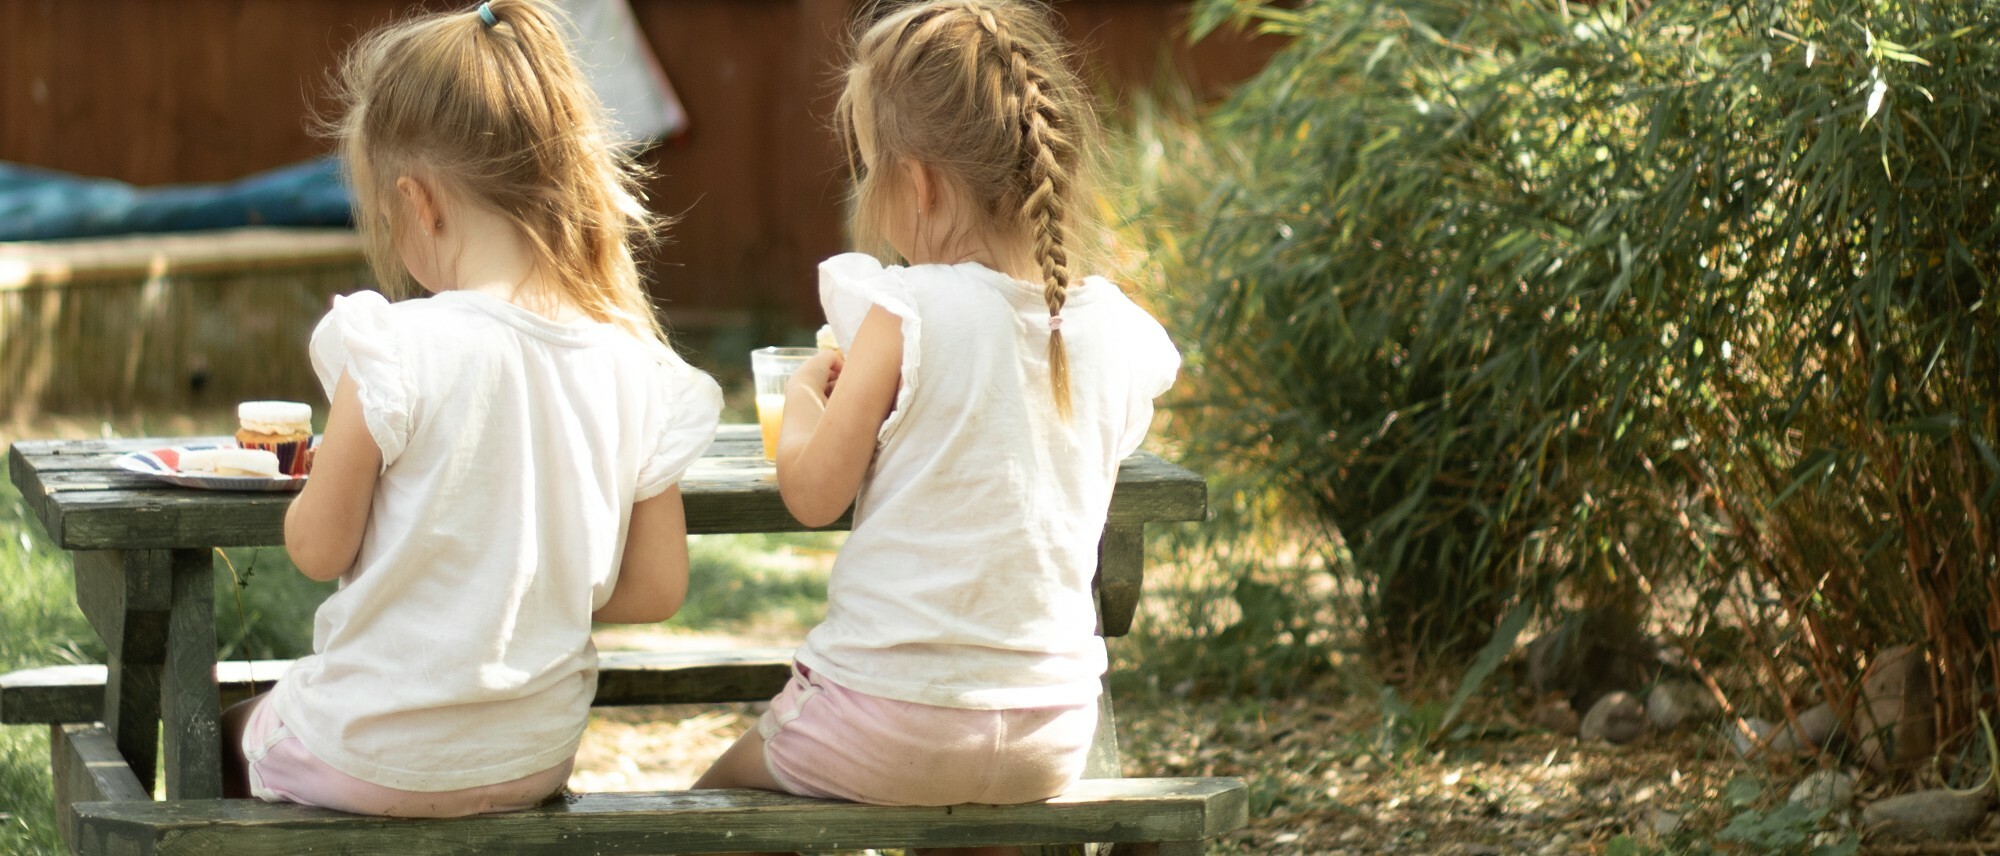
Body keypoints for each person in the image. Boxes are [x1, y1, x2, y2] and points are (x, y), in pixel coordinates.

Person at [693, 0, 1180, 852]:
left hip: (885, 724)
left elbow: (811, 494)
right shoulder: (1115, 328)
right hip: (1051, 731)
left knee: (702, 810)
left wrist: (811, 393)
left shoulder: (906, 308)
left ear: (916, 182)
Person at [220, 0, 722, 817]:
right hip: (532, 761)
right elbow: (658, 587)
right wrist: (531, 574)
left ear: (419, 203)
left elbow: (318, 549)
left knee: (228, 730)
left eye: (387, 218)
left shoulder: (393, 347)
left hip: (373, 754)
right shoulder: (634, 363)